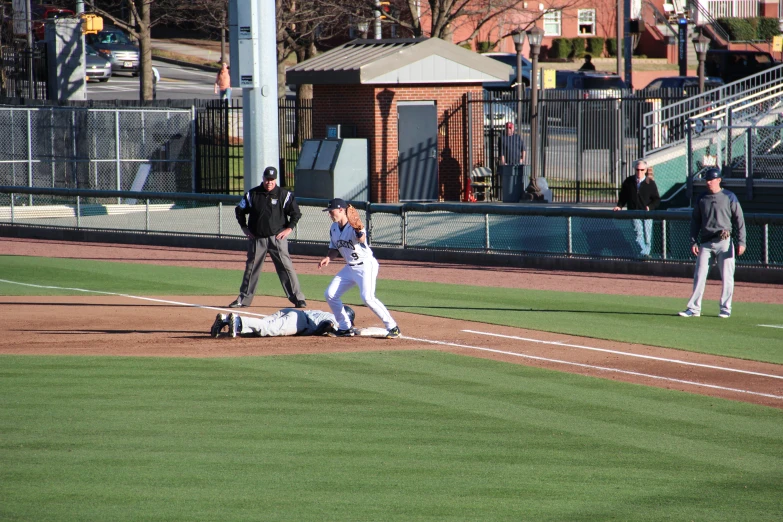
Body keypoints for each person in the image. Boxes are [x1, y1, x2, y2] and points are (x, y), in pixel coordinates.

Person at [317, 198, 400, 338]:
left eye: (331, 211)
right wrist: (328, 258)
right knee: (330, 294)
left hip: (366, 265)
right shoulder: (334, 228)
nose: (329, 214)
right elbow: (334, 248)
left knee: (367, 297)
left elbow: (361, 239)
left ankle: (393, 327)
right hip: (349, 268)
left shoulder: (355, 226)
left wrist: (359, 231)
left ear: (341, 210)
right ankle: (345, 327)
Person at [229, 166, 307, 309]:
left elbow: (296, 213)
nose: (269, 182)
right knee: (251, 269)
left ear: (275, 180)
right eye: (267, 179)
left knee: (286, 268)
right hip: (256, 238)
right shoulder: (252, 194)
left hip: (277, 238)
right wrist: (244, 227)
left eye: (272, 180)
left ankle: (298, 299)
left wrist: (289, 228)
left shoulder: (285, 195)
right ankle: (243, 299)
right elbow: (239, 210)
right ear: (263, 178)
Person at [679, 167, 746, 319]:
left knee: (727, 276)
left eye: (711, 180)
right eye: (706, 180)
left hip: (725, 243)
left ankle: (725, 309)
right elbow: (695, 221)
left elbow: (739, 220)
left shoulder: (729, 196)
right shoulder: (702, 198)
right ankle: (694, 308)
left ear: (719, 180)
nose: (708, 182)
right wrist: (693, 241)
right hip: (706, 242)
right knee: (699, 275)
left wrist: (741, 241)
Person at [614, 159, 660, 258]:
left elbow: (656, 199)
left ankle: (645, 253)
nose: (639, 172)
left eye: (642, 170)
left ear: (645, 170)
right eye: (637, 170)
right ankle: (644, 254)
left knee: (648, 236)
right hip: (634, 212)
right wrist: (619, 206)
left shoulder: (650, 182)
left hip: (647, 213)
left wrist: (649, 207)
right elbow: (623, 196)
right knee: (638, 234)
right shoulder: (629, 181)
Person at [211, 306, 354, 338]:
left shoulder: (328, 313)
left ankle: (224, 320)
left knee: (263, 324)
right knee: (268, 329)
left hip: (292, 312)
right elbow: (326, 326)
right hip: (299, 321)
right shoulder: (336, 319)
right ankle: (237, 320)